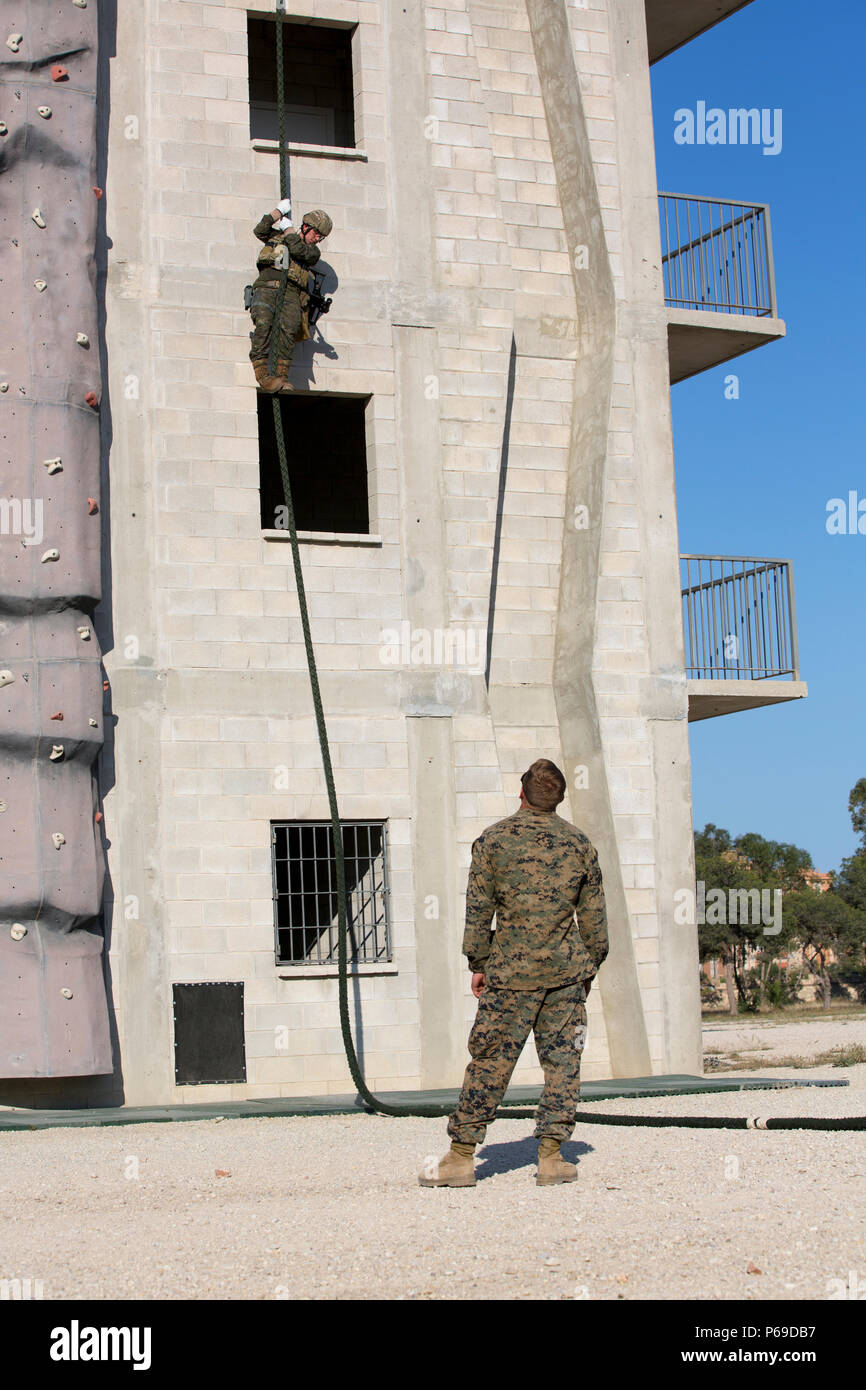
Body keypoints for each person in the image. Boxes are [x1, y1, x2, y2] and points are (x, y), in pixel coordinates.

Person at [418, 758, 608, 1189]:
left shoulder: (493, 841)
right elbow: (595, 923)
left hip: (508, 977)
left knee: (489, 1064)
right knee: (563, 1066)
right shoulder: (579, 845)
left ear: (521, 793)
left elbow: (477, 911)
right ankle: (552, 1157)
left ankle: (461, 1158)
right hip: (564, 978)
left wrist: (479, 963)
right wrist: (587, 969)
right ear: (558, 798)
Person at [249, 203, 333, 393]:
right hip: (267, 287)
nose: (318, 239)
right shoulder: (277, 237)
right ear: (306, 227)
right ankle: (262, 374)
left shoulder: (311, 252)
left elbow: (296, 249)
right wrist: (277, 213)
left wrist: (289, 231)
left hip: (291, 293)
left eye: (321, 237)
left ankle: (282, 376)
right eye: (317, 234)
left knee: (289, 329)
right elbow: (260, 230)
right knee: (263, 323)